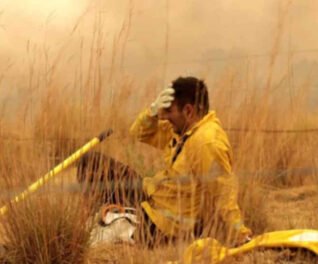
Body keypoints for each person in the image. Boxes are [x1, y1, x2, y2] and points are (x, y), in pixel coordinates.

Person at [77, 76, 252, 246]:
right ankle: (95, 215)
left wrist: (240, 234)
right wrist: (152, 113)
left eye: (169, 111)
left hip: (165, 224)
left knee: (97, 233)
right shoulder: (182, 129)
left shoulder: (207, 142)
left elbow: (223, 192)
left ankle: (109, 219)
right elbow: (139, 133)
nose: (165, 117)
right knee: (90, 161)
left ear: (188, 111)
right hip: (152, 195)